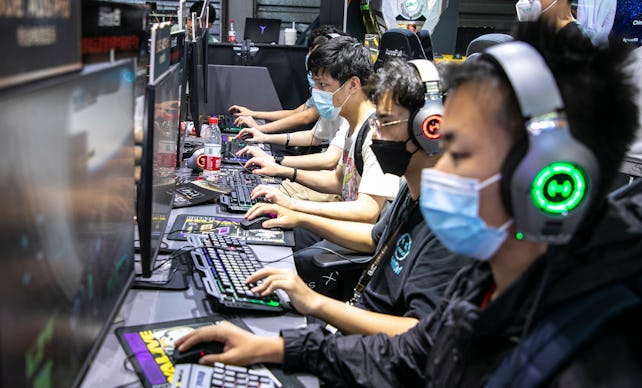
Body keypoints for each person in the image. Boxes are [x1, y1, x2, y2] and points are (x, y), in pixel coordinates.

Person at [176, 21, 642, 386]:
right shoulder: (494, 277)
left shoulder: (593, 361)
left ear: (549, 182)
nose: (444, 170)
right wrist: (280, 349)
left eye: (463, 154)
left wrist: (312, 308)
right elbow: (413, 353)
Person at [237, 58, 468, 336]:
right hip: (357, 324)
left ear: (430, 128)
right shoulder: (412, 190)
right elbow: (373, 239)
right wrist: (300, 218)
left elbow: (420, 332)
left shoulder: (451, 224)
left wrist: (315, 302)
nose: (374, 134)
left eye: (384, 121)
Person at [247, 37, 399, 246]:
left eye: (323, 85)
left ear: (353, 85)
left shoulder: (377, 133)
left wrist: (293, 206)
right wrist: (286, 172)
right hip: (343, 225)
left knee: (267, 234)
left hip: (359, 239)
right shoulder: (351, 124)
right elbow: (338, 182)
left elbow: (367, 211)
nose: (316, 92)